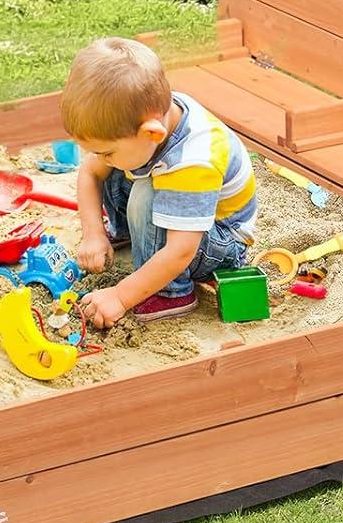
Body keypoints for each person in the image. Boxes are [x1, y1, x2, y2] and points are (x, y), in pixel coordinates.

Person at [61, 36, 256, 326]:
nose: (102, 158)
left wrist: (120, 296)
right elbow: (90, 172)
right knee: (118, 169)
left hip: (217, 240)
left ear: (152, 133)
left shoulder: (192, 162)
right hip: (182, 220)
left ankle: (171, 292)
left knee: (145, 193)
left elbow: (180, 252)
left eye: (107, 151)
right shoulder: (143, 119)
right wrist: (94, 234)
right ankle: (132, 234)